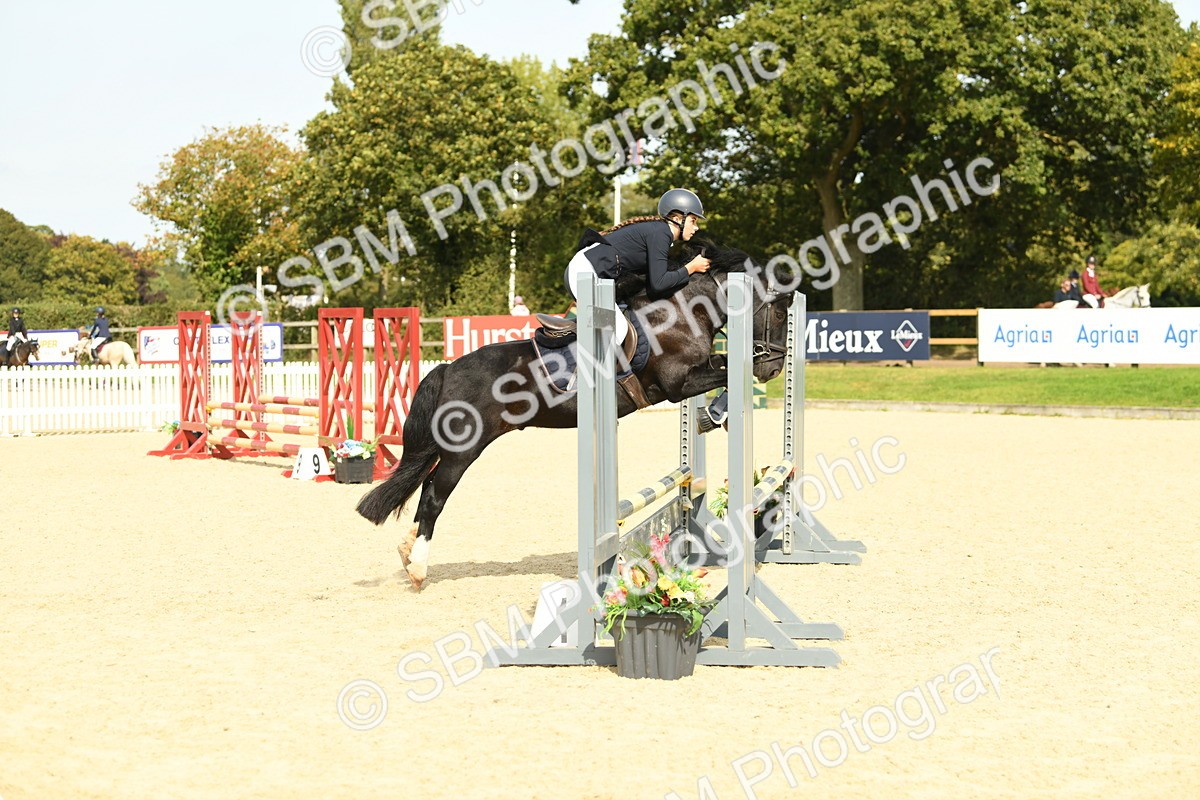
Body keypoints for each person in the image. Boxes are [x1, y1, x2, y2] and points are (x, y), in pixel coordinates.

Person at [564, 188, 720, 426]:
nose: (696, 227)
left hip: (595, 273)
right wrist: (691, 268)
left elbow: (656, 282)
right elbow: (658, 284)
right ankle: (590, 392)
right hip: (586, 273)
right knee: (615, 327)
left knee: (619, 322)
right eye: (694, 220)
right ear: (678, 218)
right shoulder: (660, 234)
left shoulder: (660, 234)